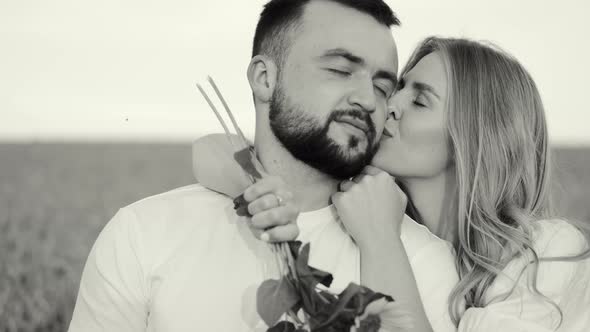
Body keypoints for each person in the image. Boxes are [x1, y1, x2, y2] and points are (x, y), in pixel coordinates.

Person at [68, 1, 459, 331]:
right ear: (264, 79)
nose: (368, 100)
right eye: (341, 70)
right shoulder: (144, 234)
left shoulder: (421, 260)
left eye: (382, 86)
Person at [195, 36, 590, 331]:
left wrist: (381, 239)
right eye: (398, 88)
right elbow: (209, 153)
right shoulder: (367, 198)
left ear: (474, 137)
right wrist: (269, 189)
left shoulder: (547, 251)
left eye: (419, 102)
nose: (390, 105)